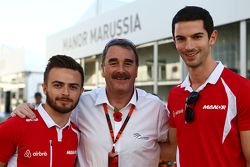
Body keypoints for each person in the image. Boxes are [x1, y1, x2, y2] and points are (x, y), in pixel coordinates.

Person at [12, 38, 170, 167]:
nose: (120, 69)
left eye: (128, 63)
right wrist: (25, 108)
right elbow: (51, 117)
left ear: (136, 69)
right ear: (102, 69)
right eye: (113, 63)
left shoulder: (156, 107)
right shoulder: (81, 103)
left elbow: (173, 148)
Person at [165, 6, 250, 167]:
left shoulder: (242, 89)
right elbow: (174, 149)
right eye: (181, 38)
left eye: (197, 37)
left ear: (212, 37)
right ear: (174, 41)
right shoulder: (175, 95)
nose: (189, 46)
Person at [0, 55, 84, 166]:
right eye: (58, 85)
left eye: (73, 87)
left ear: (81, 91)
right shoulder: (15, 125)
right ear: (44, 88)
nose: (66, 93)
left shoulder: (76, 134)